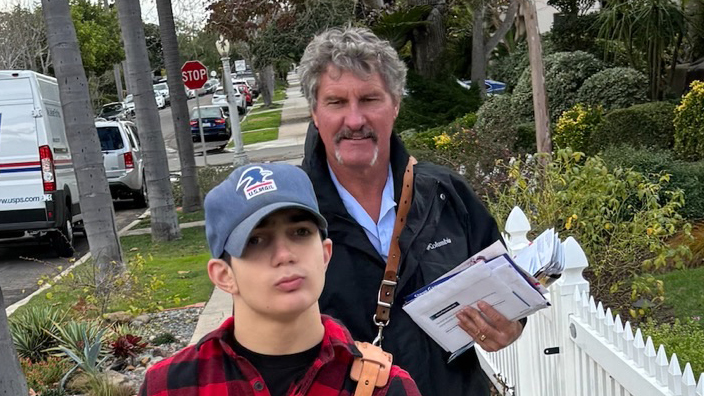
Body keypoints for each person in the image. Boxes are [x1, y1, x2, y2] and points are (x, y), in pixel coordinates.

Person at [299, 27, 525, 396]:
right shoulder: (291, 216)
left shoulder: (445, 194)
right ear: (314, 111)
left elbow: (506, 289)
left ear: (396, 104)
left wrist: (510, 325)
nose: (355, 120)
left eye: (370, 99)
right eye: (336, 102)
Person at [138, 163, 421, 396]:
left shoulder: (385, 388)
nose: (284, 255)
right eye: (256, 240)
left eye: (300, 232)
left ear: (325, 255)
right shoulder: (169, 387)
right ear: (224, 276)